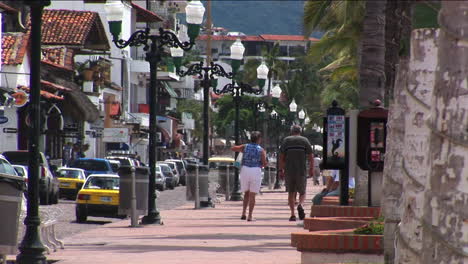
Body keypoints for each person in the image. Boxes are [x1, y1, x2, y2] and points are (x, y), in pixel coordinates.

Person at [278, 125, 314, 221]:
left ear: (291, 131)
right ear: (300, 131)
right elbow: (311, 156)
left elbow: (281, 157)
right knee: (302, 192)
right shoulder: (304, 140)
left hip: (289, 171)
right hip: (301, 170)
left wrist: (281, 170)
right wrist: (311, 168)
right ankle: (300, 205)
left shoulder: (286, 140)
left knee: (291, 192)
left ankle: (293, 214)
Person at [231, 131, 267, 222]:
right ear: (259, 139)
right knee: (252, 195)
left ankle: (243, 213)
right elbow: (264, 163)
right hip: (255, 170)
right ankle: (250, 216)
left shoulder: (245, 147)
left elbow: (234, 148)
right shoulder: (261, 150)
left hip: (245, 170)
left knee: (246, 193)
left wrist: (236, 146)